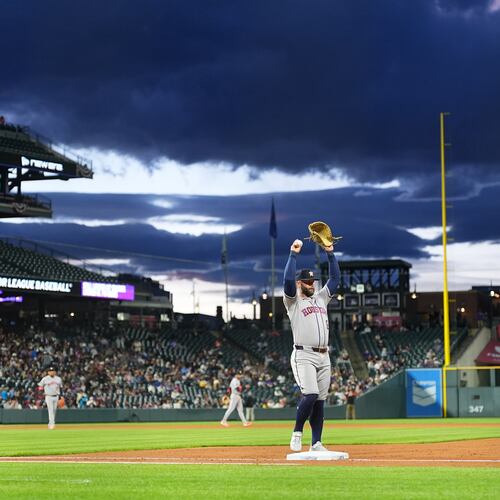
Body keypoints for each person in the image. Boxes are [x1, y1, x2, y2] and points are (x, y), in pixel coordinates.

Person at [283, 238, 340, 452]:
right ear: (300, 283)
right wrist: (293, 254)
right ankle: (297, 432)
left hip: (324, 356)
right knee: (311, 394)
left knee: (320, 401)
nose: (312, 284)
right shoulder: (292, 301)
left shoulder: (321, 298)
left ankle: (316, 443)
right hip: (303, 354)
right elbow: (287, 281)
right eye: (307, 282)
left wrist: (330, 253)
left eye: (313, 281)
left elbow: (335, 278)